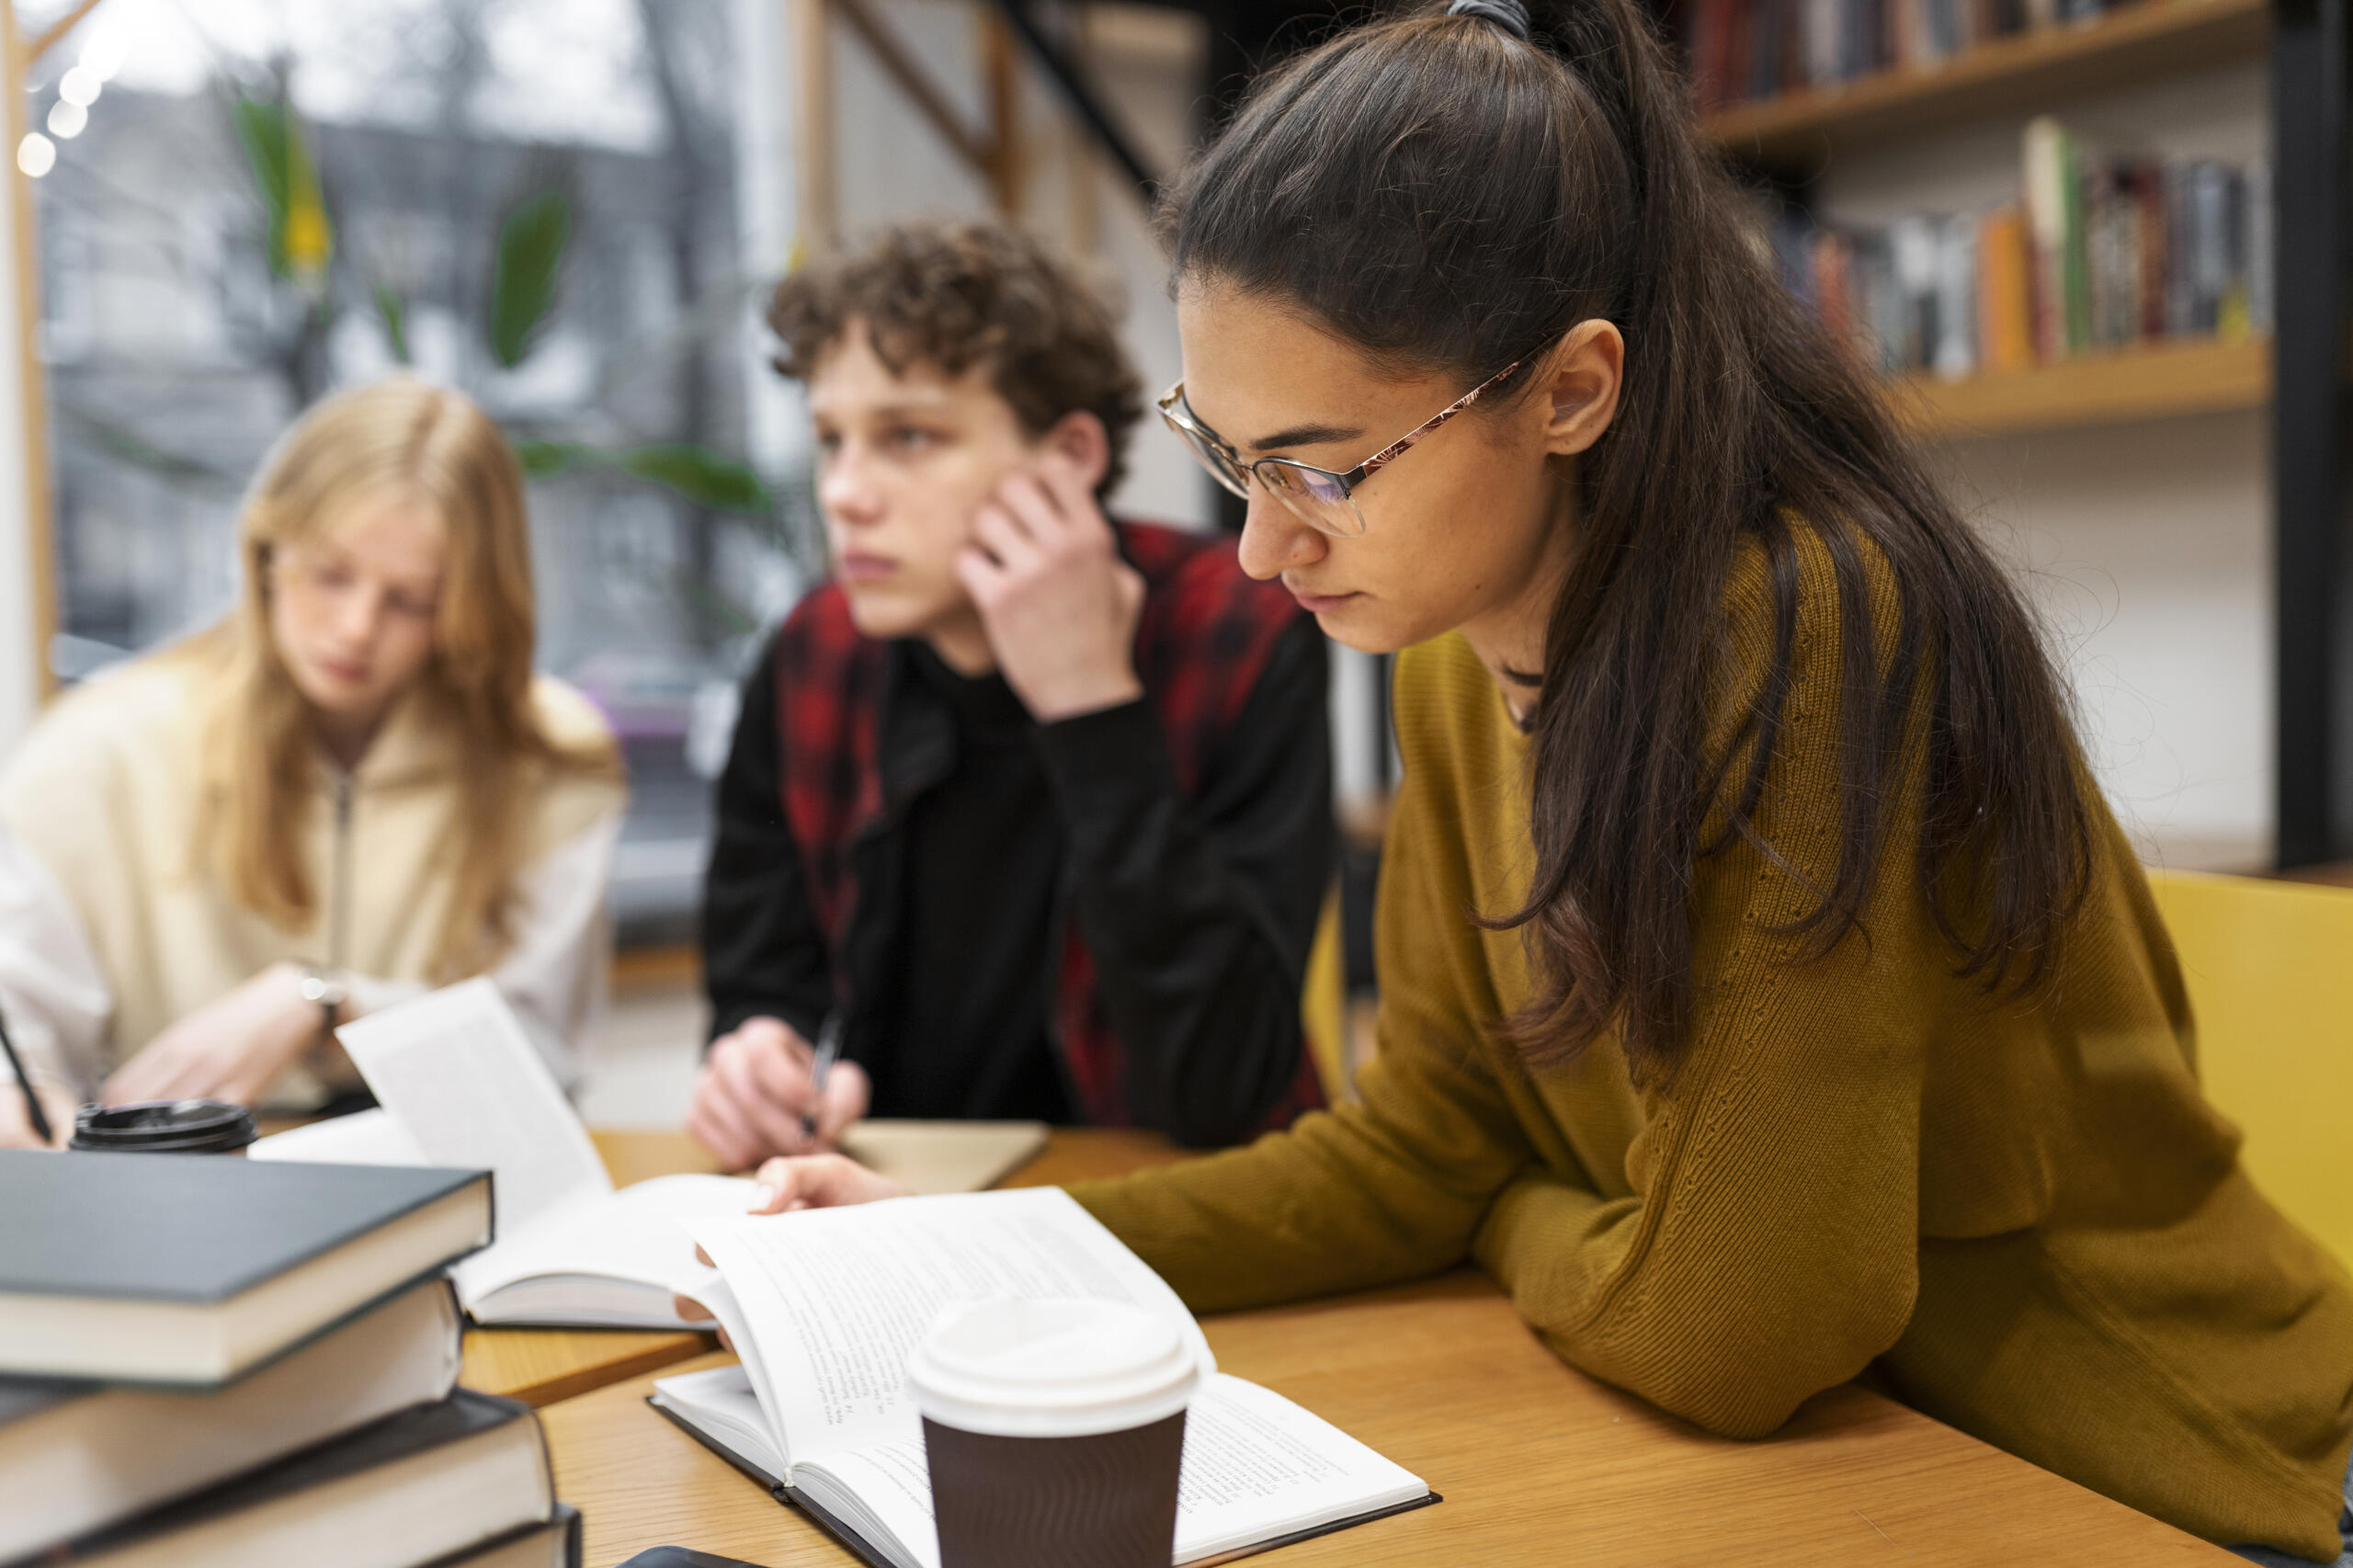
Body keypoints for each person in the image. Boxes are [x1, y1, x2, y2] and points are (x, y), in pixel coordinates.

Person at [728, 4, 2353, 1562]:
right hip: (1873, 1458)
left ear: (1575, 388)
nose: (1259, 545)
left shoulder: (1804, 627)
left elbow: (1740, 1330)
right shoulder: (1444, 646)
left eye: (1324, 466)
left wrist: (1516, 1212)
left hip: (2174, 1474)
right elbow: (1428, 1142)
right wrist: (974, 1247)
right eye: (1228, 454)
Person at [689, 220, 1332, 1167]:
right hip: (884, 1207)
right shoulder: (811, 654)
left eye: (909, 435)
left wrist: (1088, 703)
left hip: (1162, 1213)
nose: (844, 492)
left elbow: (1223, 1091)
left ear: (1068, 456)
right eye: (832, 440)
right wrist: (756, 1058)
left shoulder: (1234, 632)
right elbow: (759, 985)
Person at [0, 377, 625, 1145]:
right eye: (329, 574)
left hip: (452, 1181)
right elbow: (21, 1031)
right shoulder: (98, 750)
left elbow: (543, 1053)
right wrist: (24, 1111)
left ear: (472, 609)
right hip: (177, 1193)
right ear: (266, 552)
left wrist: (329, 1006)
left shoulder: (552, 756)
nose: (357, 628)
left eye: (412, 601)